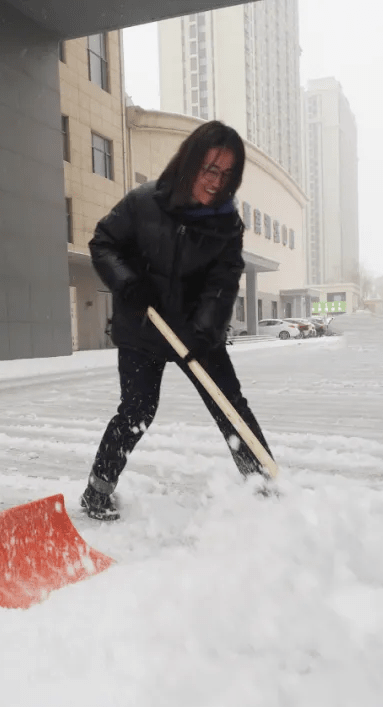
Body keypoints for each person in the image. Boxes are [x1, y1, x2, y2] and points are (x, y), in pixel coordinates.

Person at [80, 120, 273, 521]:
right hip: (143, 326)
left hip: (195, 331)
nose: (217, 182)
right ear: (190, 163)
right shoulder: (143, 202)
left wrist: (206, 330)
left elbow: (223, 282)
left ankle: (266, 486)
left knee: (229, 407)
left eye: (227, 174)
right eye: (210, 169)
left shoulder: (226, 225)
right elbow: (103, 243)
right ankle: (98, 490)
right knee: (137, 410)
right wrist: (128, 283)